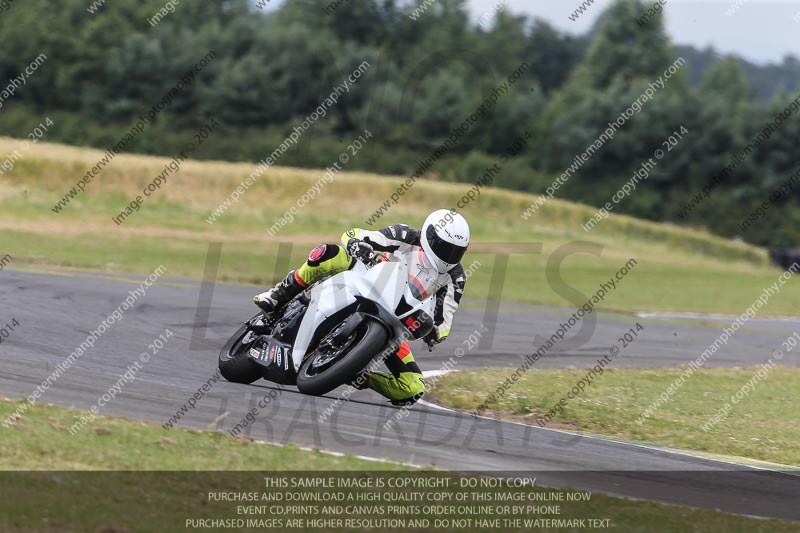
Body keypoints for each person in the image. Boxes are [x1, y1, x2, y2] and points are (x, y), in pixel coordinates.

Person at [254, 209, 470, 406]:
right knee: (331, 253)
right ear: (429, 236)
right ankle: (278, 295)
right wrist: (359, 246)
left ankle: (353, 373)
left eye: (455, 252)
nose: (448, 256)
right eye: (444, 248)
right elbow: (354, 234)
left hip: (396, 321)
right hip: (365, 280)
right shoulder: (405, 235)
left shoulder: (456, 277)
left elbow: (445, 319)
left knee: (412, 387)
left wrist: (434, 332)